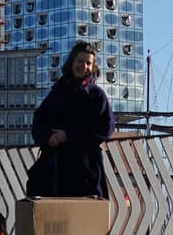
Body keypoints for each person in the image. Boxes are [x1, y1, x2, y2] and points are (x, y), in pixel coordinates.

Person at [24, 41, 115, 198]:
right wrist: (48, 137)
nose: (84, 66)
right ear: (72, 62)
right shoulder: (57, 92)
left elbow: (106, 128)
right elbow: (39, 120)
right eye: (80, 61)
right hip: (54, 168)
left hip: (84, 169)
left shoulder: (96, 96)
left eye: (88, 63)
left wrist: (68, 135)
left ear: (93, 68)